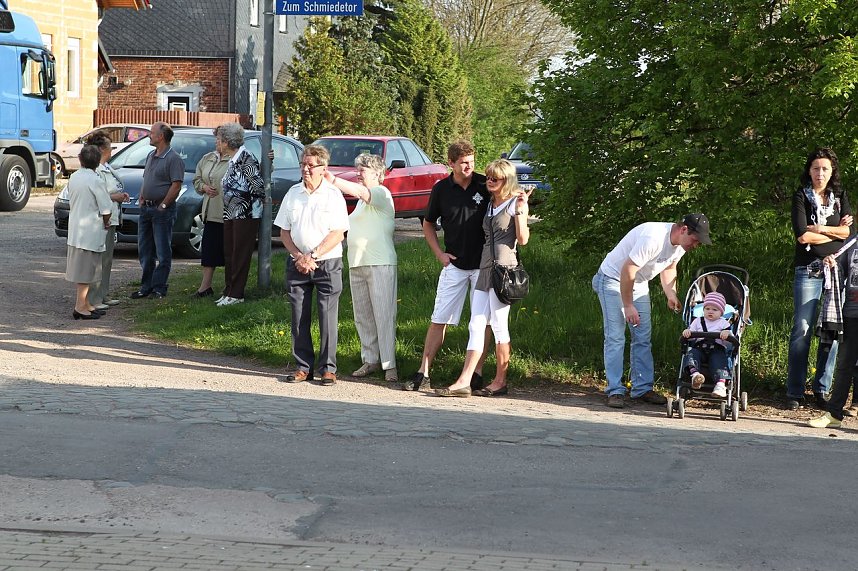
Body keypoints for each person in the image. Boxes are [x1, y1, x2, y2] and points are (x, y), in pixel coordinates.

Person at [592, 214, 711, 409]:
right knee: (615, 336)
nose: (695, 245)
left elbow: (670, 267)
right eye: (695, 240)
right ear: (683, 230)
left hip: (638, 283)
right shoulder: (653, 238)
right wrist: (628, 305)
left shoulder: (680, 245)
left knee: (642, 337)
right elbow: (627, 269)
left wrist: (670, 294)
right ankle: (615, 390)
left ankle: (641, 388)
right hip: (613, 279)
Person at [435, 159, 530, 397]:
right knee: (476, 323)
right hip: (485, 267)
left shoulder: (513, 203)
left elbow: (523, 239)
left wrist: (520, 209)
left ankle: (500, 381)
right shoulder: (490, 204)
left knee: (499, 326)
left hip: (504, 270)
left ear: (506, 180)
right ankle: (464, 380)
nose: (489, 181)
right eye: (488, 177)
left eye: (494, 178)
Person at [404, 140, 491, 392]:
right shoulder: (441, 189)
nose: (469, 166)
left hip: (482, 265)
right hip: (454, 263)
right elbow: (428, 223)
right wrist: (439, 254)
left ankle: (476, 372)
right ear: (451, 163)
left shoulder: (485, 184)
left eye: (472, 161)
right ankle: (424, 372)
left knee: (481, 320)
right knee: (439, 317)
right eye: (463, 162)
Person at [274, 145, 349, 386]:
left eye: (310, 165)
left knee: (327, 316)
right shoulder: (293, 193)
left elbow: (339, 233)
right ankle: (302, 367)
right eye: (303, 164)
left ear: (323, 168)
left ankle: (328, 368)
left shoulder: (333, 194)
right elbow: (284, 231)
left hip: (327, 263)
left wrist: (313, 256)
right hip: (297, 263)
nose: (305, 169)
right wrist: (298, 256)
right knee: (298, 316)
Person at [787, 147, 853, 411]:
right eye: (816, 168)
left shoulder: (840, 197)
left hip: (837, 272)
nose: (820, 173)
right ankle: (794, 391)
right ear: (809, 170)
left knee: (831, 331)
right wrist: (835, 233)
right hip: (808, 270)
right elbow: (802, 236)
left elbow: (849, 234)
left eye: (825, 168)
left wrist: (822, 229)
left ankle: (821, 390)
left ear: (832, 171)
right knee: (802, 330)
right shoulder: (801, 197)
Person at [324, 154, 399, 382]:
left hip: (380, 263)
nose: (358, 173)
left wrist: (332, 179)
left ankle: (390, 366)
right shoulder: (360, 203)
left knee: (383, 314)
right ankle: (370, 359)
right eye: (357, 169)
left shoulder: (381, 193)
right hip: (358, 263)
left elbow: (362, 192)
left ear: (377, 173)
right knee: (363, 316)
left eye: (363, 169)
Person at [130, 122, 184, 299]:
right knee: (145, 250)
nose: (149, 135)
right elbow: (147, 179)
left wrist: (163, 205)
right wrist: (142, 195)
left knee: (162, 250)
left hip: (162, 210)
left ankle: (159, 287)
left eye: (152, 133)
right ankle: (146, 286)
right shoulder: (150, 156)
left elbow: (176, 186)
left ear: (161, 136)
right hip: (146, 209)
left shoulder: (173, 159)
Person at [216, 123, 264, 307]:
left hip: (246, 213)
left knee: (240, 254)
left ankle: (236, 293)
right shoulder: (233, 159)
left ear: (227, 142)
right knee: (229, 252)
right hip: (230, 213)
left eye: (219, 140)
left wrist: (242, 199)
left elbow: (258, 186)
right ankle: (228, 291)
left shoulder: (246, 158)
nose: (217, 143)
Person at [809, 245, 858, 429]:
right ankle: (834, 414)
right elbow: (836, 272)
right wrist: (830, 265)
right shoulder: (852, 245)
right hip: (851, 314)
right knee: (844, 365)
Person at [65, 145, 113, 320]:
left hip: (76, 228)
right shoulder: (96, 180)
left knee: (87, 269)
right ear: (97, 161)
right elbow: (106, 209)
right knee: (86, 271)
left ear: (80, 160)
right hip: (90, 231)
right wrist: (107, 223)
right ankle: (80, 306)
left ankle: (86, 304)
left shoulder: (74, 177)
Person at [84, 130, 130, 311]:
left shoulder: (107, 167)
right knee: (99, 259)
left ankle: (103, 293)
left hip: (112, 216)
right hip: (101, 218)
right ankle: (94, 298)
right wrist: (116, 196)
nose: (112, 150)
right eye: (110, 147)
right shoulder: (96, 170)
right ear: (102, 149)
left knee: (108, 258)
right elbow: (99, 194)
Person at [191, 126, 229, 299]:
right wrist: (204, 187)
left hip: (228, 213)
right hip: (210, 212)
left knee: (229, 252)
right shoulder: (208, 158)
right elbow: (196, 179)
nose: (216, 142)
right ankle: (205, 287)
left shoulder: (235, 159)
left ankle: (230, 287)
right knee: (209, 251)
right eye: (216, 139)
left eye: (219, 139)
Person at [681, 291, 732, 398]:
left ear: (721, 313)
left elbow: (730, 343)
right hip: (699, 348)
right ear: (703, 309)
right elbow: (691, 335)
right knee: (691, 354)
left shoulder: (724, 323)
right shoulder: (697, 321)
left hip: (717, 349)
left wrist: (727, 334)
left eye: (715, 309)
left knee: (720, 361)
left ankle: (720, 385)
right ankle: (695, 376)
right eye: (707, 309)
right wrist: (688, 333)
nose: (710, 311)